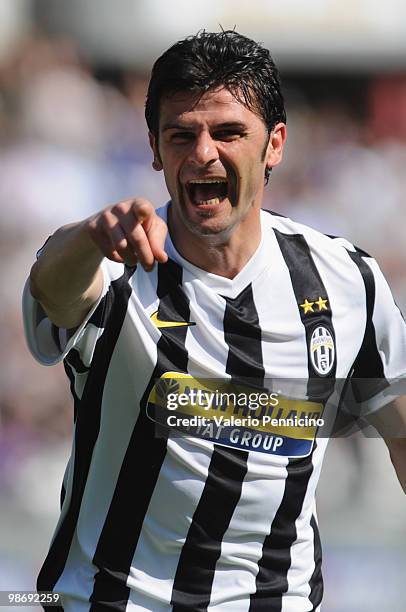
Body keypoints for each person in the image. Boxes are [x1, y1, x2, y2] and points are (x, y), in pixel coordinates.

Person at [23, 30, 406, 612]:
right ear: (155, 150)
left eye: (229, 133)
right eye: (182, 135)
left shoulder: (345, 278)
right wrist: (92, 235)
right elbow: (53, 286)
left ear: (274, 145)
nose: (204, 153)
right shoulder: (114, 261)